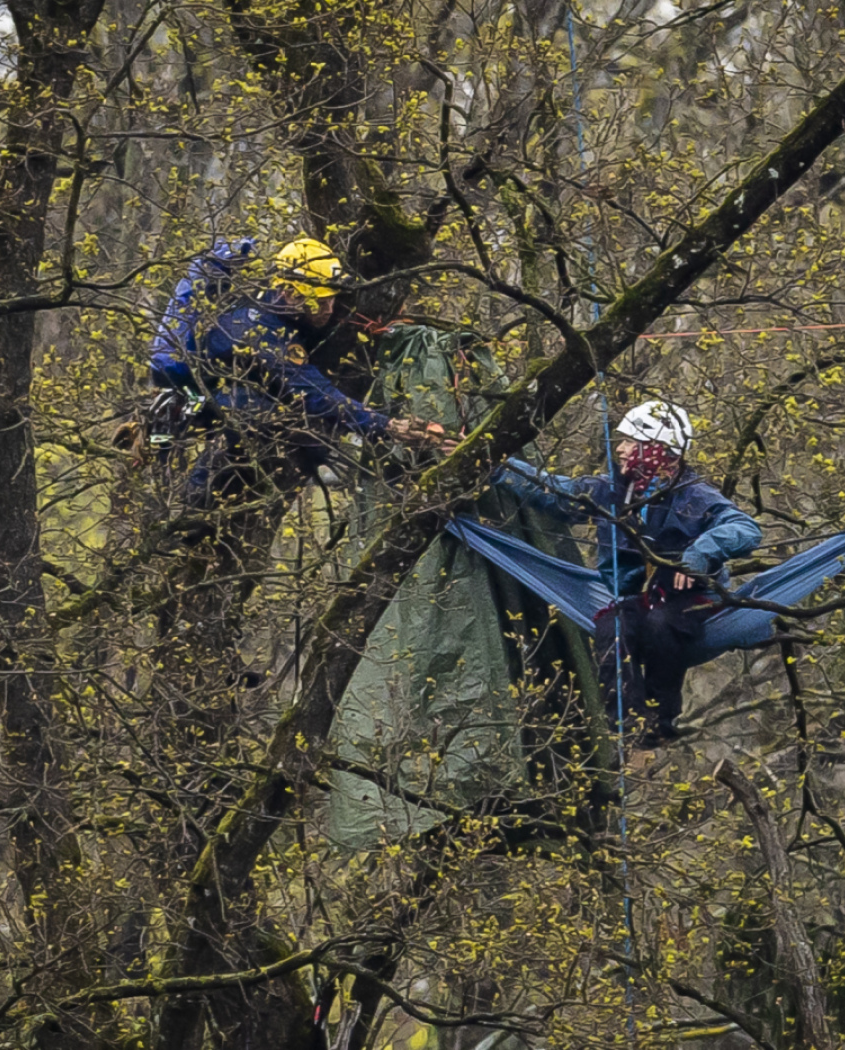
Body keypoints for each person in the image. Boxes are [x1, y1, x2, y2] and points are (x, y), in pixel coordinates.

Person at [492, 401, 762, 745]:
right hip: (639, 599)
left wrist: (700, 553)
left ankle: (661, 721)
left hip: (692, 601)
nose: (619, 449)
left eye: (631, 442)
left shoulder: (694, 496)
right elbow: (554, 492)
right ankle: (628, 728)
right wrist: (498, 466)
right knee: (611, 628)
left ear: (658, 450)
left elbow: (745, 528)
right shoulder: (612, 492)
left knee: (659, 624)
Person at [147, 235, 451, 506]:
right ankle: (195, 499)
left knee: (305, 438)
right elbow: (316, 395)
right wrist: (386, 425)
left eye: (331, 299)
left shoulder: (276, 302)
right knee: (255, 413)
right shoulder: (266, 336)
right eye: (321, 301)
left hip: (210, 388)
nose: (329, 309)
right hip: (198, 397)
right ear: (291, 295)